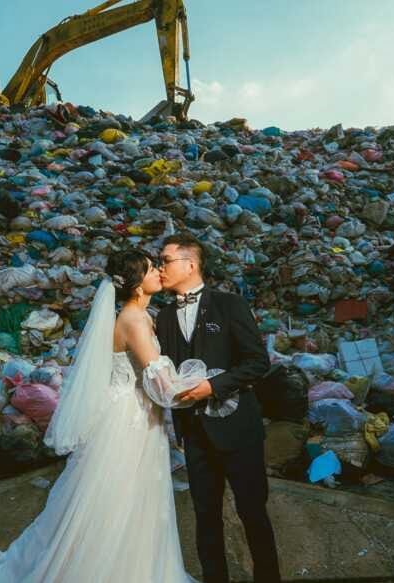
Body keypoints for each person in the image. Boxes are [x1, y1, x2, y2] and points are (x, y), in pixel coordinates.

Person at [0, 249, 197, 583]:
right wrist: (203, 385)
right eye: (152, 269)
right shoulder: (135, 321)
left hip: (134, 413)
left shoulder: (135, 315)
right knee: (120, 499)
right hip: (130, 420)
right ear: (137, 285)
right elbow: (161, 382)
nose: (159, 273)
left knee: (126, 499)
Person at [156, 233, 281, 583]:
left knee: (252, 512)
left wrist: (213, 386)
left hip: (238, 427)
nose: (160, 268)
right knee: (205, 515)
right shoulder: (164, 316)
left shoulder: (229, 305)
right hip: (194, 433)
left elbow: (258, 362)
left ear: (190, 264)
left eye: (165, 260)